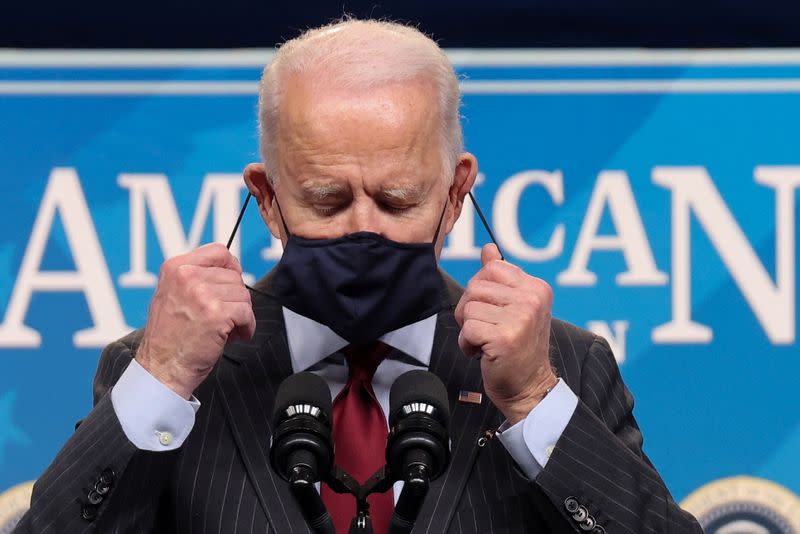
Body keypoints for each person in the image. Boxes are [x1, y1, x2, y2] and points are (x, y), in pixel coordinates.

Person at [14, 18, 702, 534]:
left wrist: (532, 401)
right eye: (327, 199)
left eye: (399, 199)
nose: (363, 229)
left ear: (457, 194)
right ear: (266, 199)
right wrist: (162, 376)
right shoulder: (161, 370)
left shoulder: (566, 367)